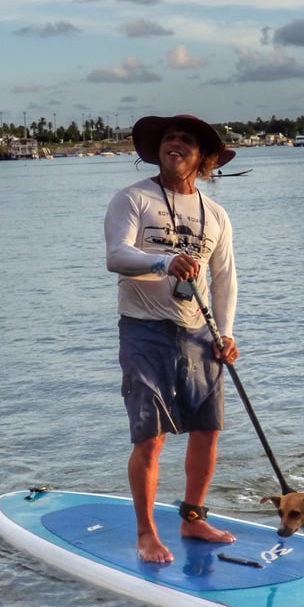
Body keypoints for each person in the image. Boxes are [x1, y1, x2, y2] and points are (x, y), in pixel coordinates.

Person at [105, 114, 239, 563]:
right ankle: (146, 533)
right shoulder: (133, 199)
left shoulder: (216, 214)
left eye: (185, 140)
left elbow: (225, 281)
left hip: (200, 331)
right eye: (169, 138)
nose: (175, 144)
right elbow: (116, 257)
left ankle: (193, 517)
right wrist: (164, 263)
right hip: (144, 328)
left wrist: (226, 334)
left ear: (202, 159)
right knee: (151, 437)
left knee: (207, 429)